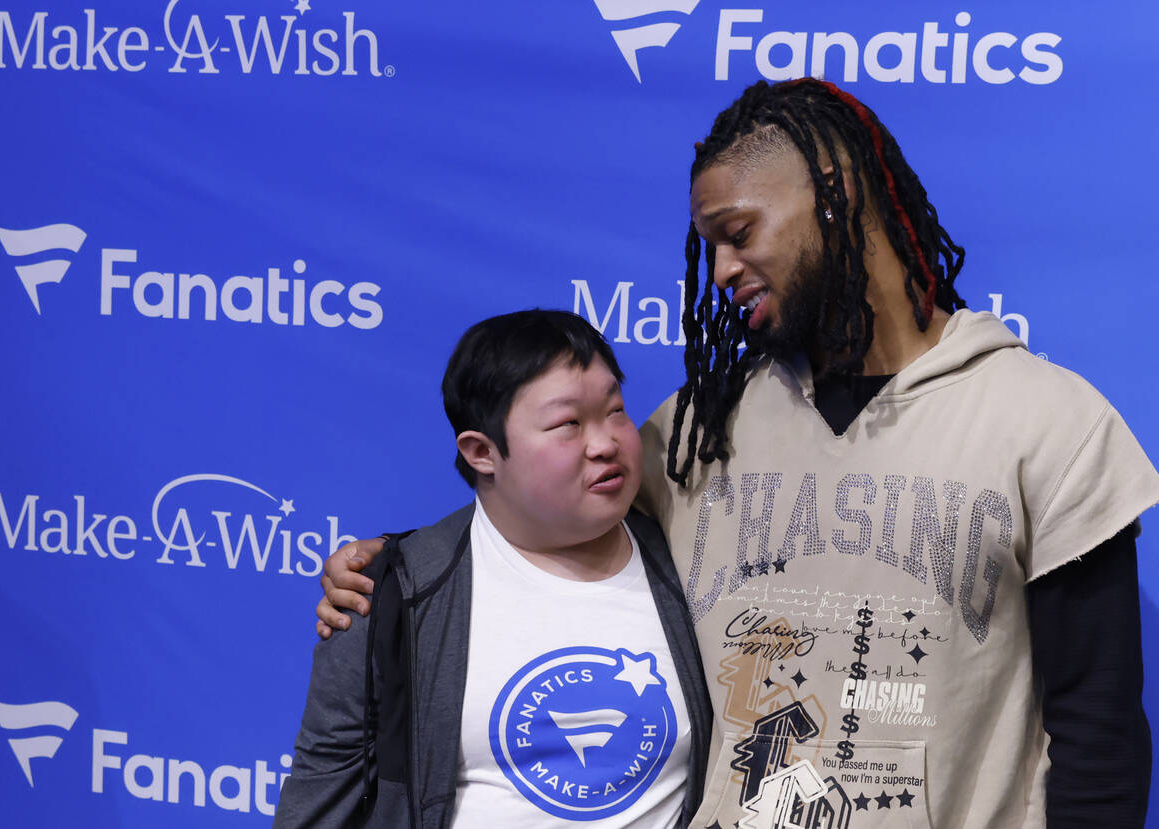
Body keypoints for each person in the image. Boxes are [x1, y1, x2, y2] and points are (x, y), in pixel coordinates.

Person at [315, 79, 1158, 827]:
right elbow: (540, 518)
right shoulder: (694, 430)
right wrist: (394, 567)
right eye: (707, 244)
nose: (719, 269)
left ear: (835, 194)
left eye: (738, 231)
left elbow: (1097, 729)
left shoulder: (1047, 421)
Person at [274, 310, 712, 829]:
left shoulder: (696, 561)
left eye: (615, 410)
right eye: (568, 424)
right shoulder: (388, 597)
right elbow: (319, 805)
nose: (606, 443)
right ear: (482, 452)